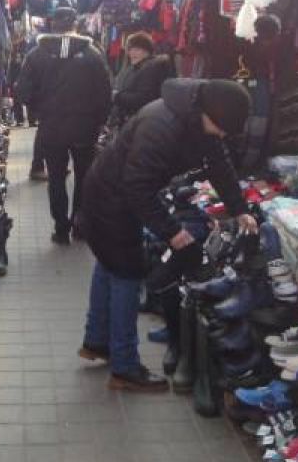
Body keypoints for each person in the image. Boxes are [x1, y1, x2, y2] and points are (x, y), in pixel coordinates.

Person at [78, 78, 258, 391]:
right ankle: (124, 367)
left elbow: (219, 163)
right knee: (127, 272)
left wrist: (239, 208)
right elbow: (137, 186)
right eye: (222, 128)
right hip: (111, 200)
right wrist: (172, 231)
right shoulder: (161, 126)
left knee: (109, 265)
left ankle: (97, 341)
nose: (223, 135)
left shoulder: (195, 116)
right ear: (211, 113)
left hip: (115, 193)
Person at [15, 7, 112, 245]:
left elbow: (22, 91)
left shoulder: (36, 54)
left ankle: (61, 228)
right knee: (84, 176)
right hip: (85, 127)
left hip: (52, 126)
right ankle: (80, 223)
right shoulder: (93, 54)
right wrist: (99, 120)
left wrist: (39, 110)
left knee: (56, 178)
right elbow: (105, 92)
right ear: (75, 25)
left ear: (52, 24)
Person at [112, 32, 176, 125]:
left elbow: (143, 99)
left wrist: (117, 96)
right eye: (130, 50)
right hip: (137, 120)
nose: (132, 53)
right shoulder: (138, 67)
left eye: (137, 50)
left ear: (147, 51)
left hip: (144, 122)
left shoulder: (151, 68)